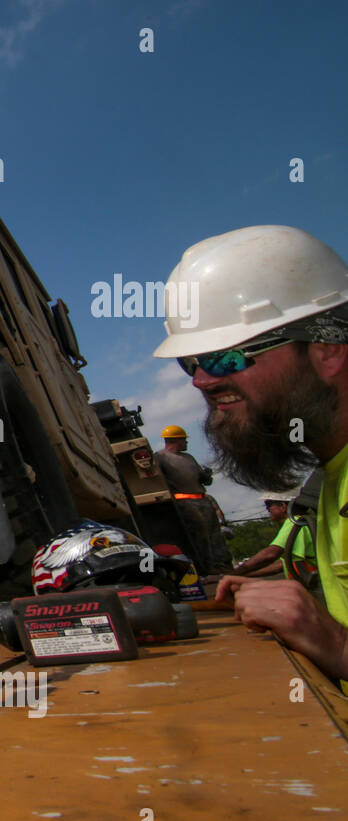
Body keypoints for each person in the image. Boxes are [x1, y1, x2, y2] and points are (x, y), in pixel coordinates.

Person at [153, 224, 348, 689]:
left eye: (225, 357)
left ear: (327, 350)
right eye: (191, 362)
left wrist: (335, 644)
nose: (200, 381)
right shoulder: (330, 481)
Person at [154, 425, 233, 575]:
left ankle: (223, 564)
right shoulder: (161, 457)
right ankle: (207, 567)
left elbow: (202, 478)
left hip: (202, 500)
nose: (186, 443)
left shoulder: (188, 457)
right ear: (176, 440)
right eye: (184, 440)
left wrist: (206, 475)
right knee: (200, 535)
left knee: (215, 535)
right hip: (185, 502)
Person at [229, 493, 315, 581]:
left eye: (268, 505)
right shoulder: (301, 522)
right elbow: (280, 565)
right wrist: (241, 574)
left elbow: (270, 554)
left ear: (282, 506)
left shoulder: (295, 522)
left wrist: (234, 573)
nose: (267, 509)